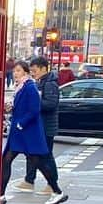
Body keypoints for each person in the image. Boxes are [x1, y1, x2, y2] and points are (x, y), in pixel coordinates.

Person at [0, 60, 68, 204]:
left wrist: (20, 123)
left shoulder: (30, 87)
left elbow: (34, 110)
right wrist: (10, 109)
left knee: (39, 162)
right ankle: (1, 194)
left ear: (25, 72)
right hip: (19, 133)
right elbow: (22, 107)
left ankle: (57, 191)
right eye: (14, 71)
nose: (15, 74)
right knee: (5, 160)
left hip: (27, 132)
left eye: (18, 71)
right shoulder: (21, 86)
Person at [18, 54, 60, 193]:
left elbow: (51, 104)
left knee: (46, 155)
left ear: (43, 69)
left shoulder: (50, 83)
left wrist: (34, 103)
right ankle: (29, 180)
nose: (33, 73)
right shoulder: (39, 83)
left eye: (35, 70)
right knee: (32, 153)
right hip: (37, 125)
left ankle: (52, 183)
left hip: (46, 125)